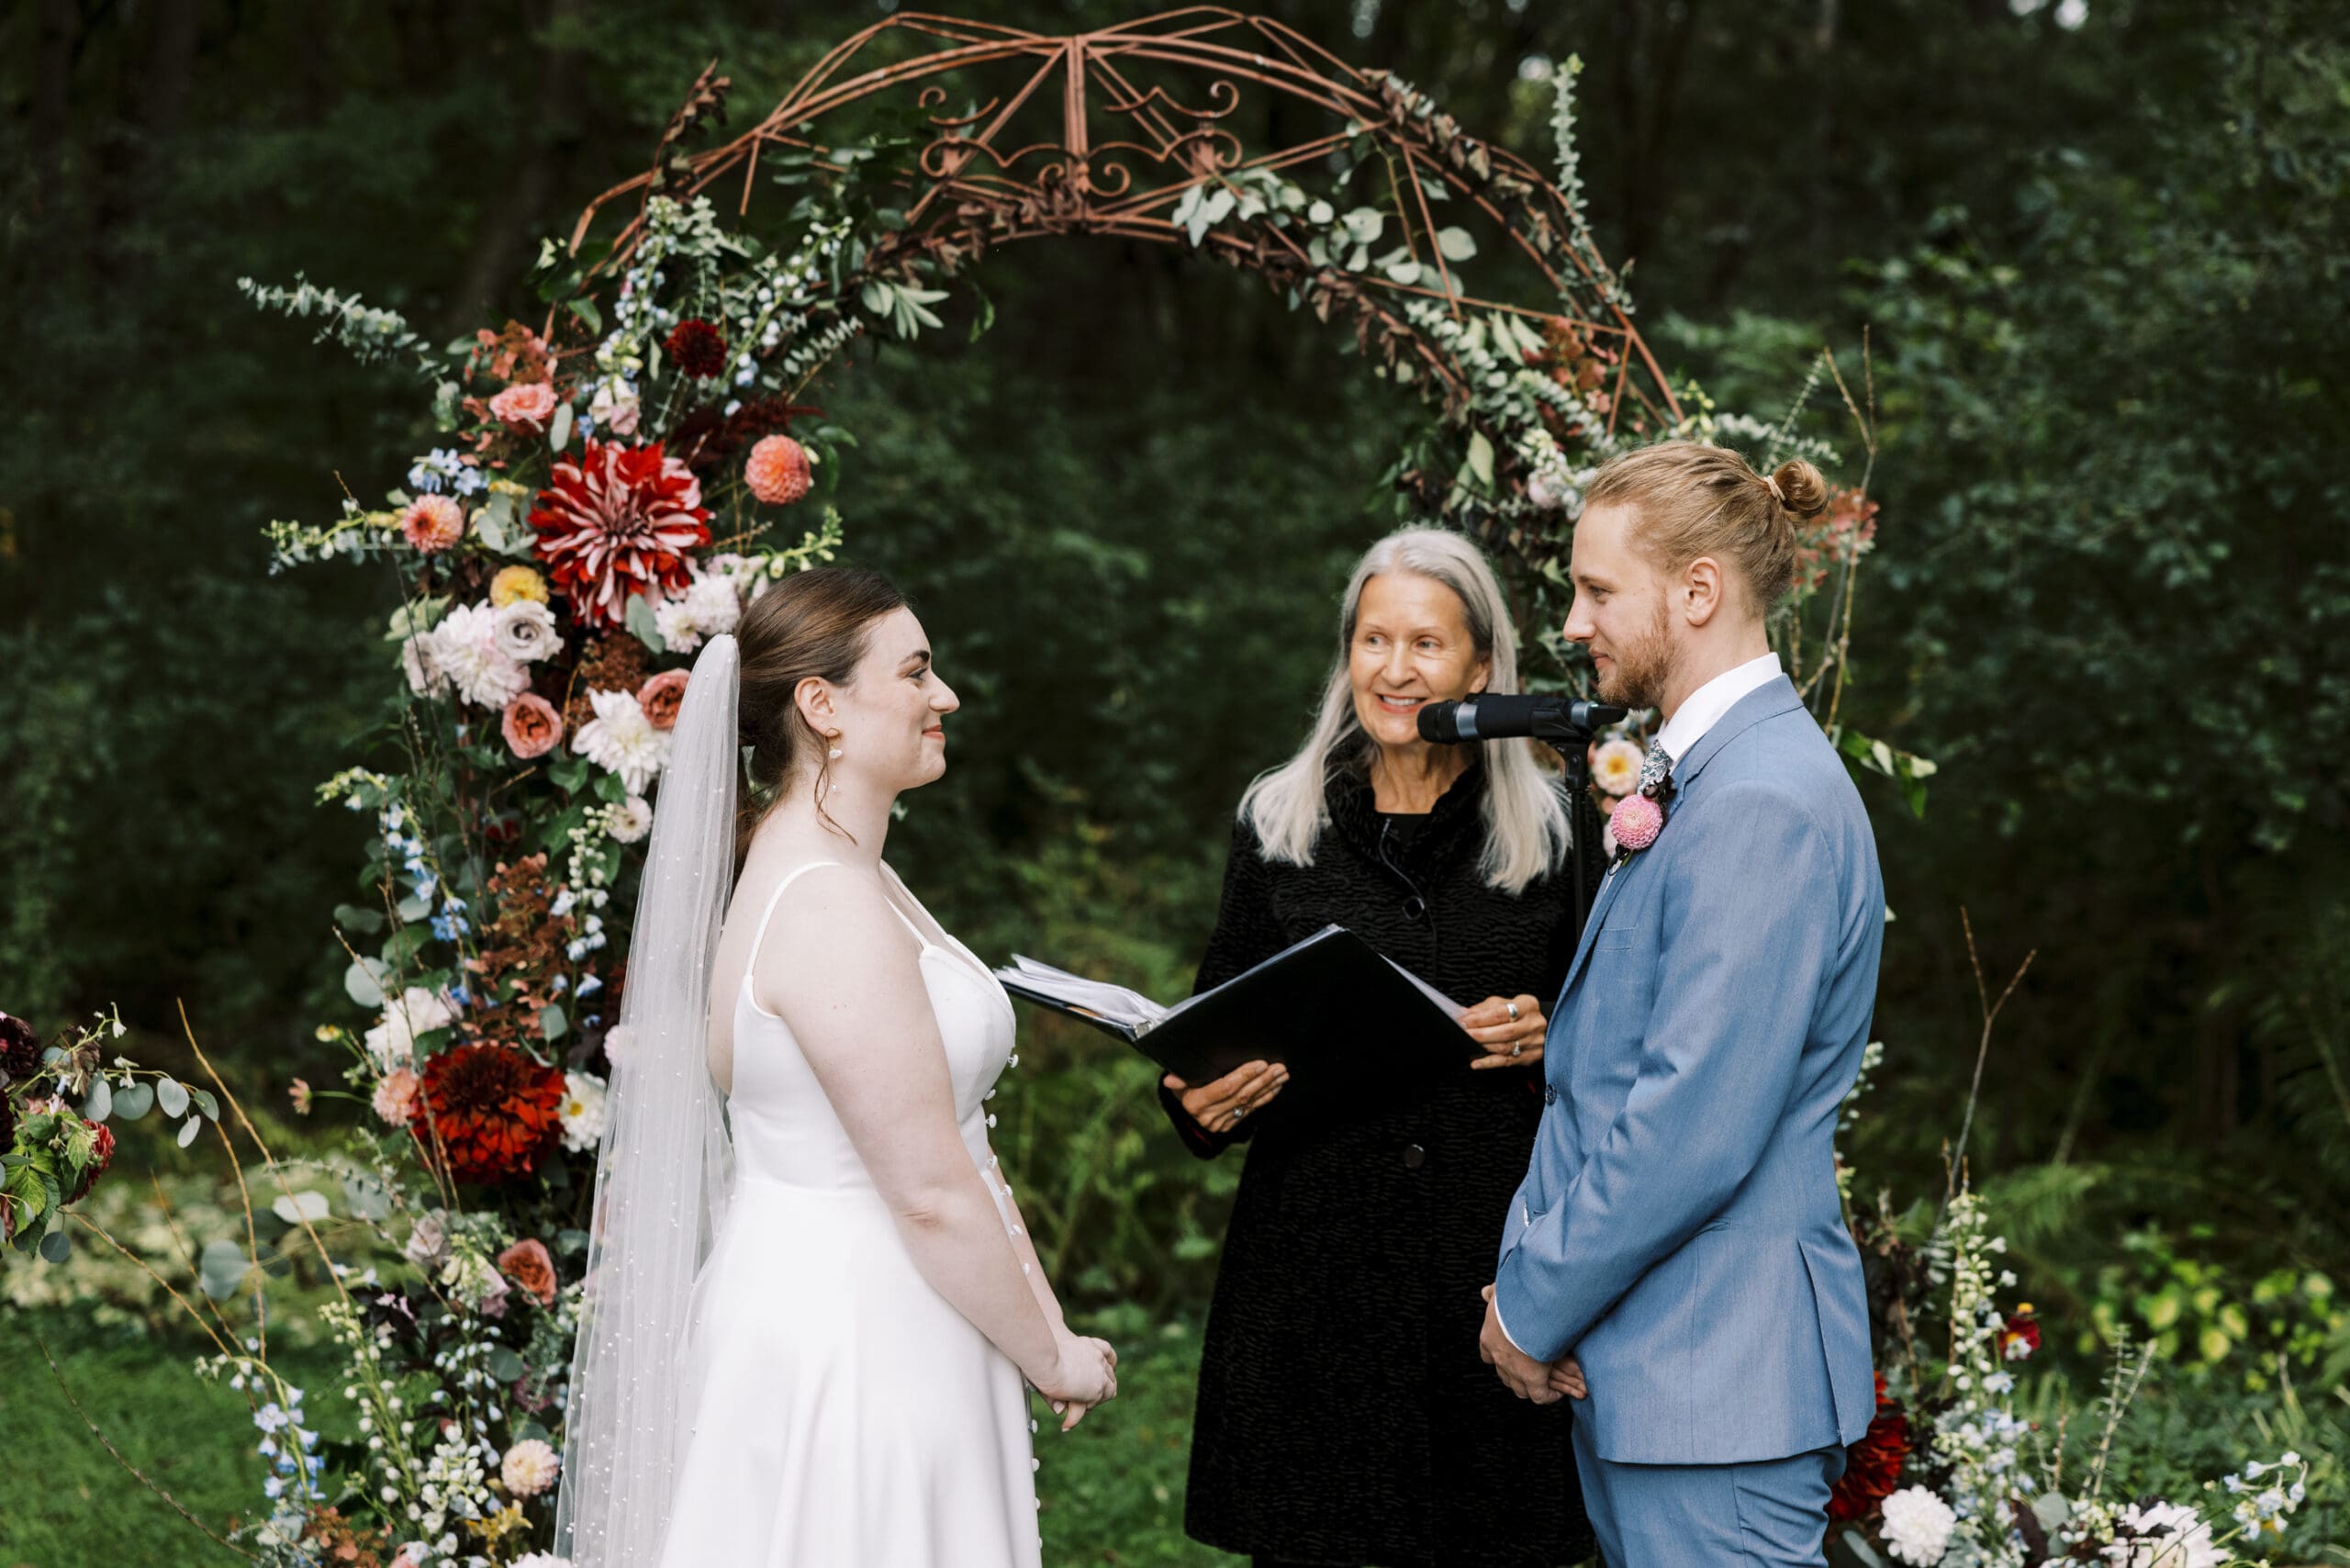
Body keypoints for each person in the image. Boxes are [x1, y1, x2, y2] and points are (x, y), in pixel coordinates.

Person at [554, 567, 1117, 1568]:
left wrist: (1038, 1318)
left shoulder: (851, 869)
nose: (943, 697)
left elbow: (960, 1145)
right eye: (915, 672)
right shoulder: (824, 901)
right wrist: (1053, 1354)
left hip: (901, 1313)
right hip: (855, 1340)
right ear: (822, 707)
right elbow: (929, 1188)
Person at [1479, 442, 1884, 1567]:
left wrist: (1526, 1300)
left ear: (1697, 589)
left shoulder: (1761, 800)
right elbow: (1601, 1073)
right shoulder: (1707, 776)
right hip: (1664, 1372)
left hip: (1720, 1389)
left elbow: (1690, 1122)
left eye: (1598, 589)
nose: (1571, 621)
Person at [1164, 528, 1602, 1568]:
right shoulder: (1280, 822)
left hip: (1485, 1284)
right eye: (1372, 640)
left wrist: (1551, 1034)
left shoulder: (1557, 833)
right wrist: (1198, 1104)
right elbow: (1206, 1035)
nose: (1394, 669)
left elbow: (1615, 1055)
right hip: (1313, 1285)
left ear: (1480, 668)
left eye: (1425, 644)